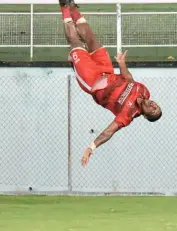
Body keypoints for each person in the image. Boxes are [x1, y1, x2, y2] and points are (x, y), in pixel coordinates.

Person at [59, 0, 162, 167]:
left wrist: (91, 147)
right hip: (106, 70)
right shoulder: (144, 91)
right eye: (156, 106)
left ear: (145, 115)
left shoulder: (127, 116)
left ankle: (64, 6)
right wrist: (122, 64)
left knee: (76, 43)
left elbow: (109, 132)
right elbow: (129, 79)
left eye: (153, 110)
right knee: (90, 38)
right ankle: (72, 6)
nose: (153, 105)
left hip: (94, 81)